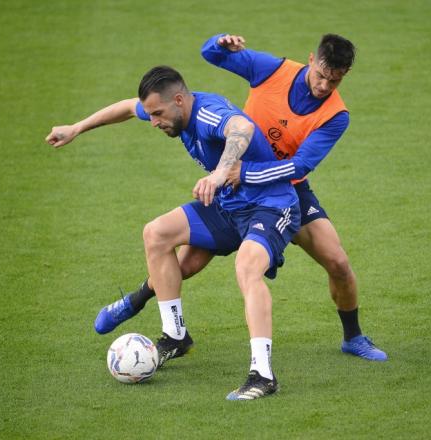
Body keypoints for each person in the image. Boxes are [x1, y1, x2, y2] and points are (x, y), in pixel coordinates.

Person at [96, 33, 387, 362]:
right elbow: (210, 56)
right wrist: (220, 43)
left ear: (343, 76)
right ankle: (142, 304)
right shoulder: (273, 71)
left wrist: (242, 173)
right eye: (321, 75)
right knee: (186, 263)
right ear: (311, 59)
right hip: (236, 188)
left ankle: (353, 337)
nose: (324, 86)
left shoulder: (336, 115)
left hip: (283, 188)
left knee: (338, 263)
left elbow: (300, 165)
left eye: (334, 81)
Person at [45, 66, 301, 400]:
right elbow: (125, 107)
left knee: (247, 268)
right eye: (150, 114)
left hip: (270, 205)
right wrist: (76, 128)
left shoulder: (209, 114)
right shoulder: (169, 109)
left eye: (158, 114)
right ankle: (175, 335)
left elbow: (241, 127)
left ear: (179, 100)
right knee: (156, 233)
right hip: (227, 206)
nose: (153, 122)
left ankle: (263, 375)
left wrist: (220, 173)